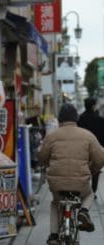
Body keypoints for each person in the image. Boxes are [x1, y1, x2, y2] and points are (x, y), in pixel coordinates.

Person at [38, 103, 104, 245]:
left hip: (57, 184)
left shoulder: (52, 136)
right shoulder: (88, 135)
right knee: (90, 194)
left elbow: (42, 158)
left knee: (55, 203)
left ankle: (54, 236)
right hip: (80, 183)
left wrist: (49, 165)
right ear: (76, 118)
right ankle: (84, 211)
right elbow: (100, 159)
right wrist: (91, 170)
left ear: (60, 118)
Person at [78, 98, 104, 198]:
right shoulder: (100, 120)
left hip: (82, 149)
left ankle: (85, 191)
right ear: (93, 106)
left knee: (83, 170)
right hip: (97, 148)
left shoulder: (79, 119)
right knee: (96, 171)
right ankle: (92, 192)